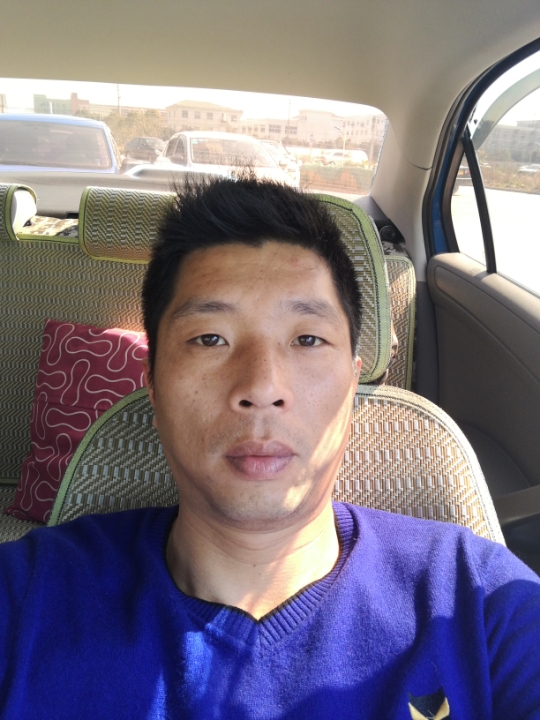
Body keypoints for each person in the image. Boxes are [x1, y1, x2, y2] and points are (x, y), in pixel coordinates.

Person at [0, 176, 539, 719]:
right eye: (209, 338)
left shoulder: (482, 604)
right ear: (154, 388)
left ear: (352, 385)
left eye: (307, 339)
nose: (261, 387)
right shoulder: (27, 597)